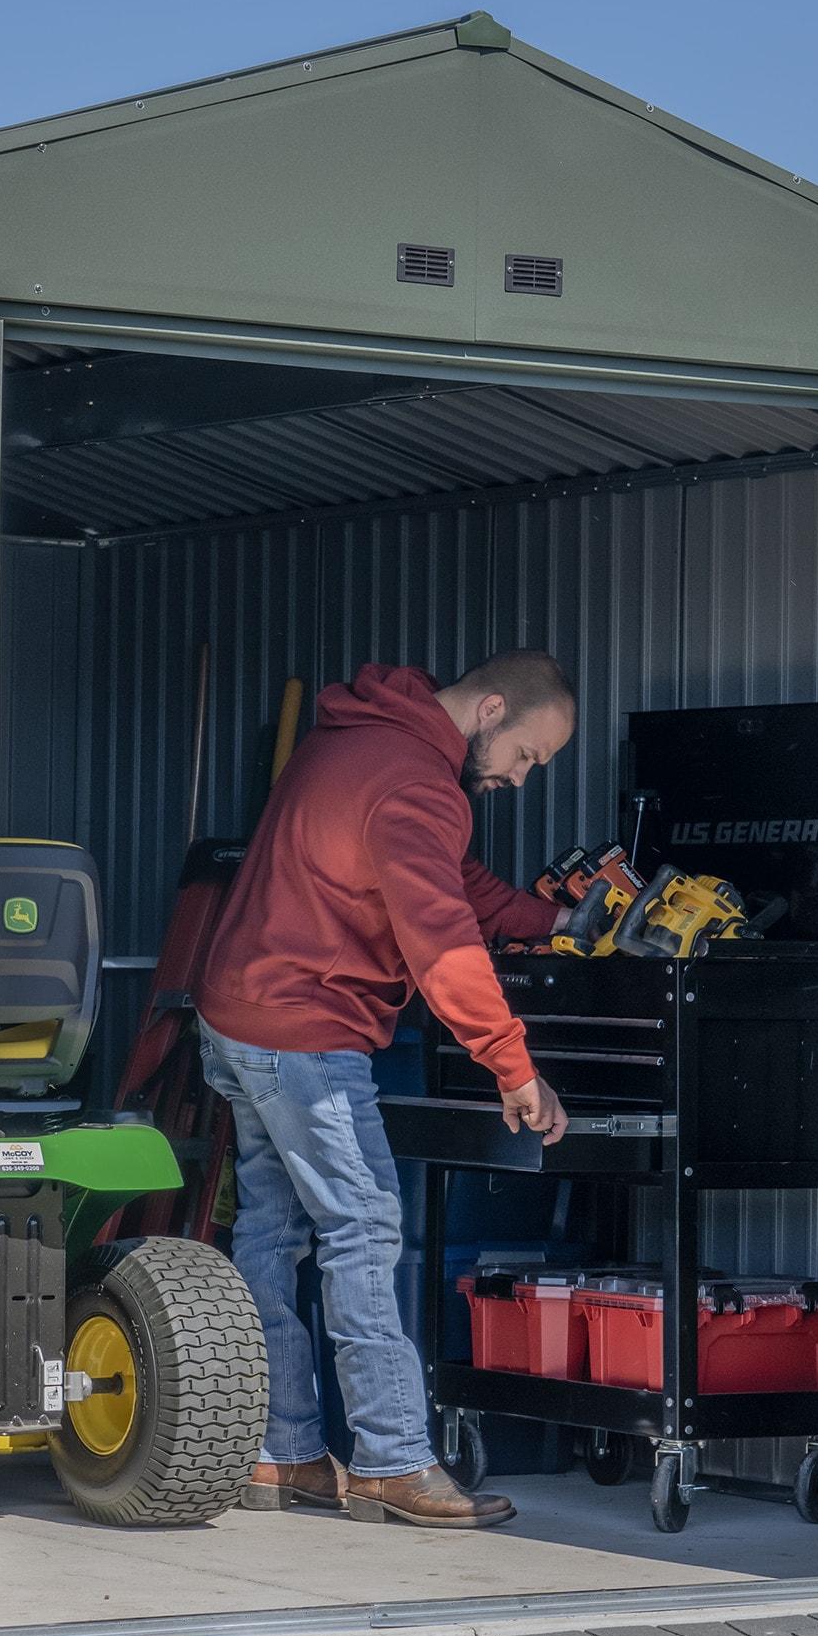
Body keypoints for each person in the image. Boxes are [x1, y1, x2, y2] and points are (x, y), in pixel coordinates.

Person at [194, 652, 577, 1528]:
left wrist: (559, 921)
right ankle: (391, 1458)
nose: (521, 779)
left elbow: (456, 884)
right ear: (491, 709)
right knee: (363, 1229)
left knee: (271, 1232)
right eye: (528, 755)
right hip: (305, 1029)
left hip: (239, 1013)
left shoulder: (357, 737)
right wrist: (513, 1065)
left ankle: (280, 1449)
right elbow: (443, 939)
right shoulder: (417, 782)